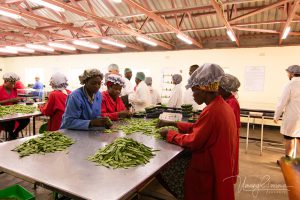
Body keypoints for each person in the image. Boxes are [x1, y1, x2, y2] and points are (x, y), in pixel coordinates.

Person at [157, 63, 236, 200]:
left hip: (208, 167)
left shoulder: (213, 111)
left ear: (204, 90)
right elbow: (199, 127)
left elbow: (194, 141)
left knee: (162, 168)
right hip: (218, 162)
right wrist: (173, 123)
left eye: (194, 91)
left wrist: (170, 134)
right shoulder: (220, 105)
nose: (193, 95)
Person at [274, 65, 300, 159]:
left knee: (289, 138)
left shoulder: (290, 85)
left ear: (292, 74)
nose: (287, 75)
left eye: (288, 73)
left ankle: (288, 160)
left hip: (293, 116)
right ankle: (297, 162)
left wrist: (276, 116)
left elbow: (282, 102)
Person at [219, 73, 241, 184]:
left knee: (228, 158)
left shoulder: (231, 102)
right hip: (228, 135)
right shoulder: (227, 100)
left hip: (229, 136)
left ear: (225, 90)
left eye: (219, 88)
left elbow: (227, 123)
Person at [0, 73, 30, 140]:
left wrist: (17, 101)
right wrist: (10, 100)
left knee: (26, 120)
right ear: (5, 82)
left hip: (14, 112)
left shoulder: (14, 90)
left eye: (14, 83)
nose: (13, 85)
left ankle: (14, 133)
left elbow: (15, 101)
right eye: (11, 83)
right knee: (10, 122)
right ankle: (11, 136)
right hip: (3, 114)